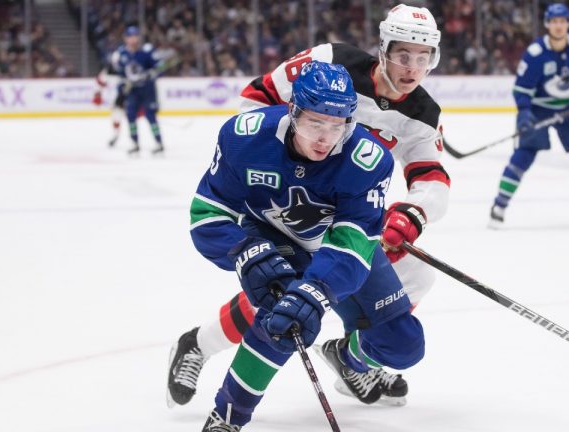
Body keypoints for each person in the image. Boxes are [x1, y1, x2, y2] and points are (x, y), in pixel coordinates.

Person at [168, 4, 448, 408]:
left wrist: (411, 213)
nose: (412, 68)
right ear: (383, 49)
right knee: (284, 287)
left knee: (416, 273)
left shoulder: (423, 114)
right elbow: (256, 100)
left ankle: (354, 357)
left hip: (342, 216)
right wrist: (276, 166)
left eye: (423, 59)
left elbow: (431, 179)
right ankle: (199, 344)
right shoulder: (331, 62)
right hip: (282, 196)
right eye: (403, 55)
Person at [186, 60, 424, 431]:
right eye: (315, 122)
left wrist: (317, 291)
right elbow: (207, 214)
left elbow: (351, 243)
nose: (324, 138)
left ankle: (347, 358)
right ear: (293, 111)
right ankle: (228, 416)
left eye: (336, 125)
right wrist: (243, 251)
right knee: (282, 320)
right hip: (272, 235)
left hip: (335, 248)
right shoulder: (245, 138)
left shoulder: (368, 161)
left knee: (404, 344)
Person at [488, 3, 569, 228]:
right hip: (537, 109)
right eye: (554, 22)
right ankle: (499, 206)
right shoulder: (536, 54)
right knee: (524, 155)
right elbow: (521, 89)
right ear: (547, 24)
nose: (558, 26)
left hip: (568, 107)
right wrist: (524, 113)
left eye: (562, 21)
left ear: (568, 24)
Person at [110, 26, 169, 155]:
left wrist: (152, 73)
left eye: (135, 36)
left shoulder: (147, 51)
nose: (133, 39)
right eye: (130, 36)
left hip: (147, 90)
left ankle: (159, 143)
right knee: (131, 116)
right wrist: (123, 85)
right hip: (132, 91)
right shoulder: (122, 54)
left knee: (150, 116)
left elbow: (161, 66)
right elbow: (119, 73)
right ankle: (135, 143)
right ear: (125, 38)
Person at [92, 65, 127, 148]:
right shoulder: (108, 70)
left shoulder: (126, 66)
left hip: (128, 96)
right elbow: (99, 82)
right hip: (117, 100)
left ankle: (134, 138)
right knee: (116, 117)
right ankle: (116, 135)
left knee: (130, 118)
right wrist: (97, 95)